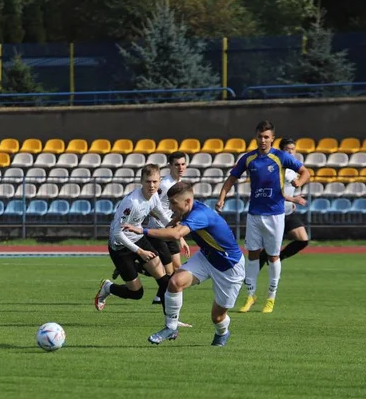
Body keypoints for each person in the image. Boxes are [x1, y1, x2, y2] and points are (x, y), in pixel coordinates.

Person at [122, 180, 245, 346]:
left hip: (229, 267)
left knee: (217, 317)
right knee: (174, 282)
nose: (171, 207)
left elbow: (176, 233)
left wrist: (143, 230)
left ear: (187, 201)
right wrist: (169, 224)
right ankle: (171, 327)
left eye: (173, 203)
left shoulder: (200, 214)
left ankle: (222, 332)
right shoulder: (189, 208)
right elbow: (176, 220)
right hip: (206, 257)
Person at [215, 121, 309, 314]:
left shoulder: (281, 156)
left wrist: (300, 181)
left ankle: (271, 298)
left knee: (274, 256)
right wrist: (222, 197)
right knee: (253, 254)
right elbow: (232, 178)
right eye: (260, 136)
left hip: (275, 215)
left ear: (272, 138)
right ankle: (250, 296)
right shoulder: (248, 159)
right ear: (256, 137)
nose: (263, 140)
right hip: (254, 214)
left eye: (267, 137)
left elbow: (305, 171)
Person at [93, 164, 186, 312]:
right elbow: (117, 233)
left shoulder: (154, 196)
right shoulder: (132, 203)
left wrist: (179, 235)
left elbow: (163, 216)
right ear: (141, 181)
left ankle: (171, 322)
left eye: (155, 181)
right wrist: (140, 252)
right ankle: (108, 287)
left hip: (137, 238)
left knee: (164, 280)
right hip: (120, 246)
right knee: (137, 293)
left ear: (159, 181)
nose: (152, 185)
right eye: (148, 181)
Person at [246, 138, 312, 295]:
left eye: (293, 149)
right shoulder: (279, 167)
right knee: (259, 251)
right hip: (274, 213)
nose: (290, 152)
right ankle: (249, 281)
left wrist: (293, 198)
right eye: (287, 149)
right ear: (281, 151)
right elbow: (275, 191)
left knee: (303, 239)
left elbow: (295, 182)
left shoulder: (293, 169)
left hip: (288, 212)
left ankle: (276, 259)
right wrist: (292, 198)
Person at [147, 151, 190, 304]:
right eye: (177, 164)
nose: (180, 167)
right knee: (167, 269)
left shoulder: (181, 184)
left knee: (177, 268)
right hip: (159, 230)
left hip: (170, 230)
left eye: (183, 164)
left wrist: (180, 235)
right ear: (169, 166)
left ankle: (160, 296)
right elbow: (151, 206)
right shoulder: (165, 185)